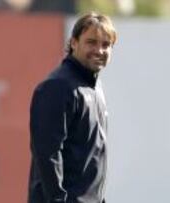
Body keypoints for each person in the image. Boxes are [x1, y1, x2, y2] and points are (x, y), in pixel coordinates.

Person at [28, 12, 117, 203]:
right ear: (74, 42)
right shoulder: (57, 87)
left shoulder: (94, 86)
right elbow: (47, 154)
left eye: (106, 45)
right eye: (91, 42)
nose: (99, 50)